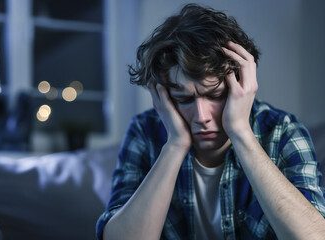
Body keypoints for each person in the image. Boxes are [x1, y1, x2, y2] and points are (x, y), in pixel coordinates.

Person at [96, 3, 325, 240]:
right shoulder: (145, 132)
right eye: (183, 99)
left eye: (216, 95)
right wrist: (175, 145)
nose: (202, 116)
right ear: (163, 97)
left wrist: (240, 133)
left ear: (243, 85)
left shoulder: (283, 131)